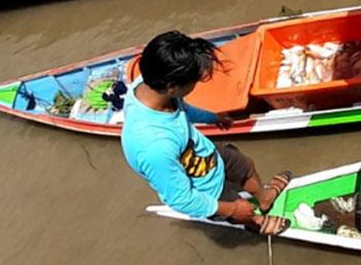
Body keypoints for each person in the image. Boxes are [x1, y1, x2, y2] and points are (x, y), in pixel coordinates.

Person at [121, 31, 292, 235]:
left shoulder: (147, 84)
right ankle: (255, 222)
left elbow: (182, 108)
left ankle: (264, 198)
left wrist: (213, 117)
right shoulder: (154, 146)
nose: (196, 84)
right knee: (240, 209)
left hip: (205, 153)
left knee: (246, 165)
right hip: (203, 188)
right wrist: (232, 209)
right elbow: (181, 199)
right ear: (172, 87)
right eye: (193, 81)